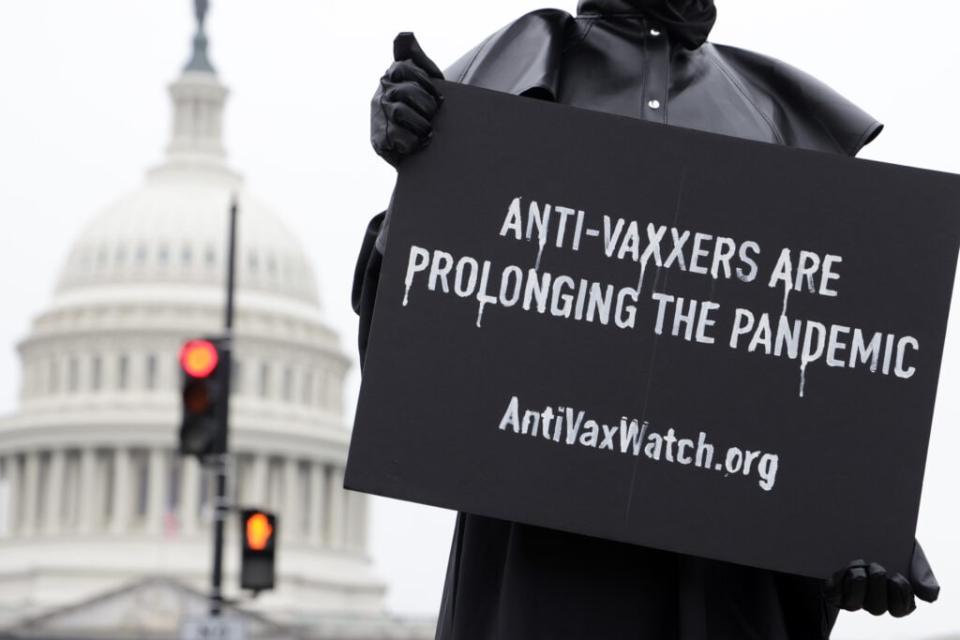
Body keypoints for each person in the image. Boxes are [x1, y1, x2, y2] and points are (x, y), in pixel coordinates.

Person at [352, 1, 940, 638]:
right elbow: (419, 366)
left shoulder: (775, 117)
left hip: (727, 594)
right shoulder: (505, 80)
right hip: (544, 579)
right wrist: (421, 192)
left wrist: (862, 525)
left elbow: (822, 383)